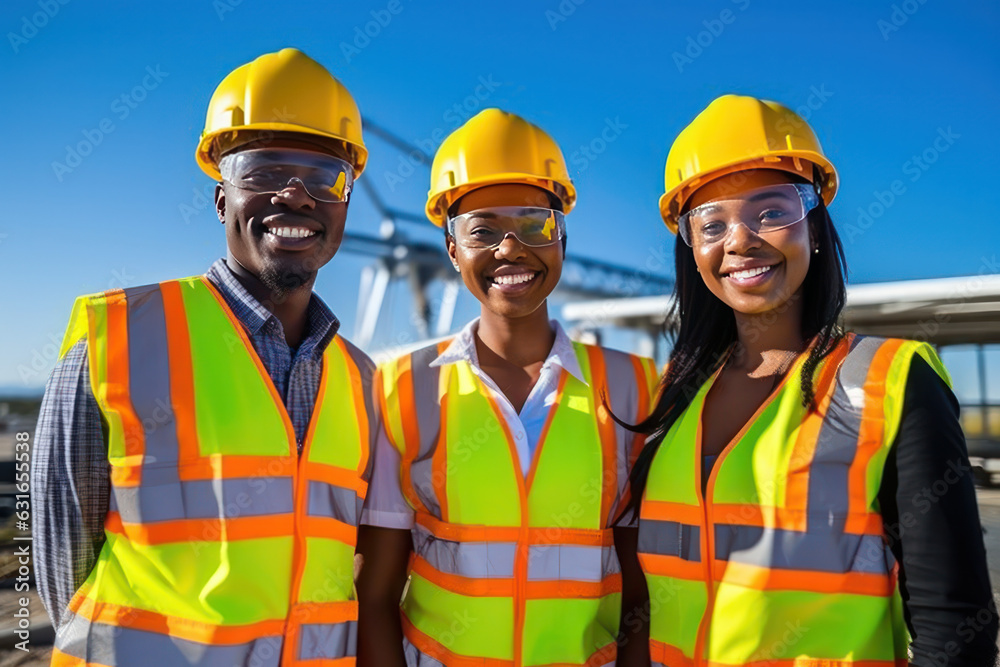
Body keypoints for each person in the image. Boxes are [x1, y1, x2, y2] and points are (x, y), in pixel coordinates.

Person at [621, 94, 997, 666]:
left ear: (814, 227)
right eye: (711, 222)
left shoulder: (890, 380)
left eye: (771, 210)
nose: (740, 239)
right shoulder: (669, 395)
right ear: (691, 249)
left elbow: (954, 625)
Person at [31, 48, 377, 666]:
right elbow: (64, 571)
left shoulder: (362, 379)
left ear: (344, 205)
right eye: (263, 170)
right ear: (221, 199)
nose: (295, 196)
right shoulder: (117, 341)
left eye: (324, 177)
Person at [355, 108, 657, 666]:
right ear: (452, 250)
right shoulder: (401, 389)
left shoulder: (636, 389)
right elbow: (374, 598)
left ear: (561, 236)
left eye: (535, 224)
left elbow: (644, 593)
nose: (510, 249)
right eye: (483, 231)